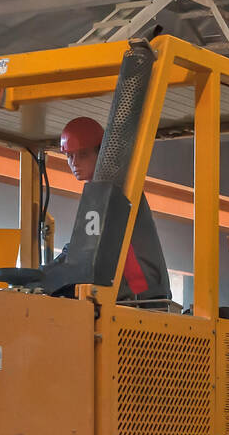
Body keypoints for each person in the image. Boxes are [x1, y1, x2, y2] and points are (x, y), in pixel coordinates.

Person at [56, 117, 172, 301]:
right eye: (70, 156)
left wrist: (47, 274)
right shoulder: (104, 189)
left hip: (139, 295)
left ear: (101, 153)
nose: (74, 163)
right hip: (139, 292)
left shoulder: (111, 189)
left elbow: (87, 247)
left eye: (83, 154)